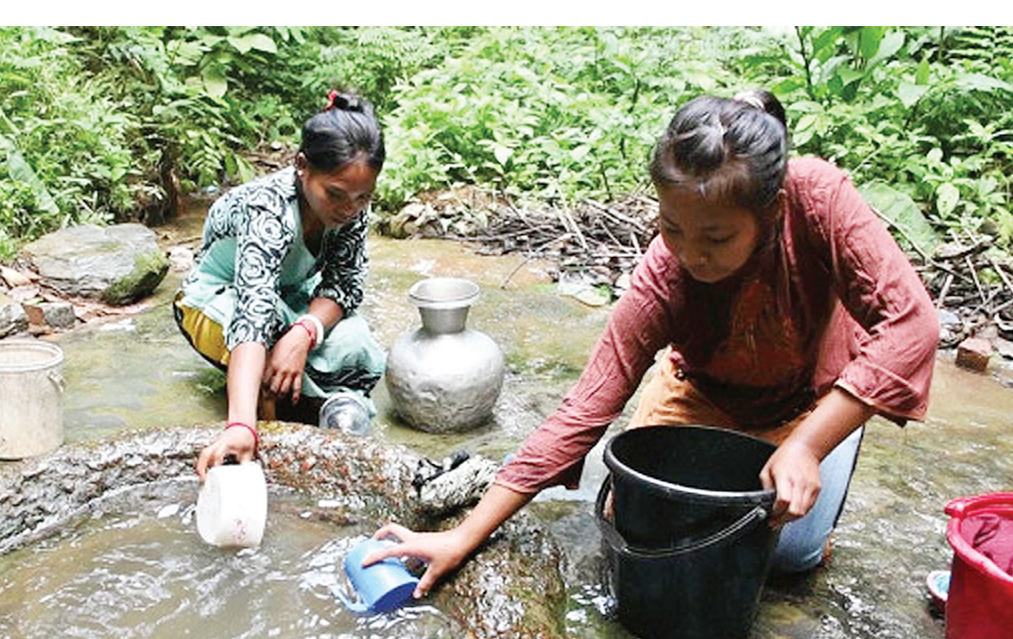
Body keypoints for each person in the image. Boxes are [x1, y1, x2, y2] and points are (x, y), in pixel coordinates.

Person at [368, 90, 939, 596]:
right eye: (672, 228)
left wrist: (810, 444)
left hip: (814, 401)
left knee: (786, 556)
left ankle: (821, 472)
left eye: (716, 237)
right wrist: (463, 537)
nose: (691, 253)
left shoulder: (816, 200)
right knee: (635, 520)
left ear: (772, 211)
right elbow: (582, 410)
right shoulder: (665, 277)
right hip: (705, 393)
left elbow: (912, 325)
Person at [174, 91, 387, 479]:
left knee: (358, 342)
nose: (349, 208)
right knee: (270, 331)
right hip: (217, 300)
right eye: (336, 194)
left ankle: (291, 390)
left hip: (290, 299)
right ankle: (269, 408)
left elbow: (345, 287)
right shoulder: (267, 210)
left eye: (363, 197)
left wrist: (304, 333)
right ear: (302, 166)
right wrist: (240, 426)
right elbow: (253, 312)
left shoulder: (352, 207)